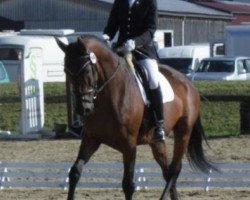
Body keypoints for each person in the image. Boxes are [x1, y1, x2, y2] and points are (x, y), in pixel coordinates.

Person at [103, 0, 165, 142]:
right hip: (121, 49)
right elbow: (112, 25)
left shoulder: (150, 2)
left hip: (143, 50)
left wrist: (136, 42)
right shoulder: (120, 2)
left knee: (153, 80)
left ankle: (159, 124)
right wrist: (107, 35)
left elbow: (151, 29)